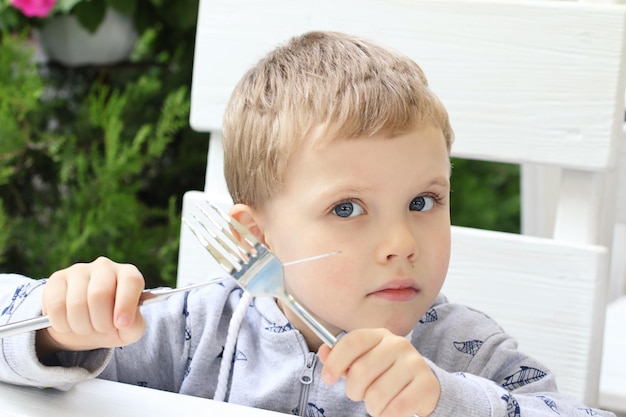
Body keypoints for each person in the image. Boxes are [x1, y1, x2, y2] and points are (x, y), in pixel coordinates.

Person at [0, 31, 615, 417]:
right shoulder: (199, 330)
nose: (401, 244)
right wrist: (58, 329)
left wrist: (446, 401)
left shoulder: (464, 351)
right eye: (347, 209)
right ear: (253, 237)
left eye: (424, 202)